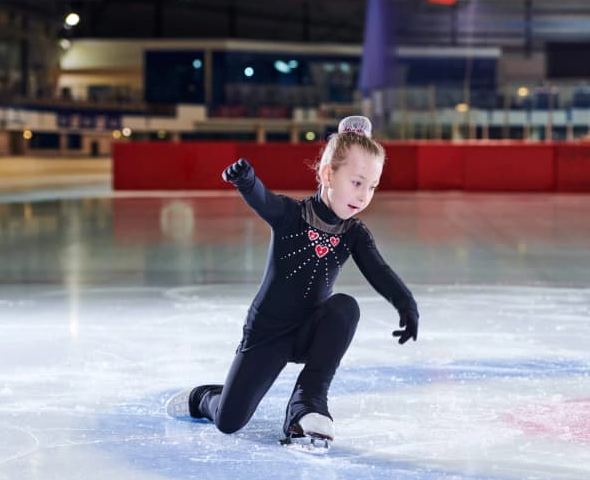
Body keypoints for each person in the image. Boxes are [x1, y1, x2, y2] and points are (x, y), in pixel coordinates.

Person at [166, 116, 419, 451]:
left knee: (345, 308)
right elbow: (264, 200)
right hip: (267, 333)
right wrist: (247, 181)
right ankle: (206, 397)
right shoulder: (292, 216)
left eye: (372, 186)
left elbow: (380, 271)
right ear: (329, 174)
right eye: (357, 183)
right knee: (229, 422)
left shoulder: (353, 233)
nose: (363, 196)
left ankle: (308, 407)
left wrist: (406, 304)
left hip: (309, 331)